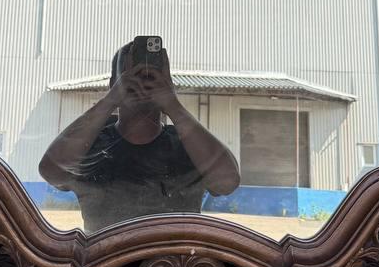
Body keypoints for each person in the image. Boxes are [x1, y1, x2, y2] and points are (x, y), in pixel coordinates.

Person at [39, 41, 240, 233]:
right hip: (106, 256)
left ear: (168, 83)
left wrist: (173, 105)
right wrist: (110, 100)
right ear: (113, 84)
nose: (142, 81)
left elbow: (227, 182)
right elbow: (51, 172)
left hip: (174, 258)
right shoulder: (92, 146)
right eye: (131, 74)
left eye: (152, 75)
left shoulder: (190, 147)